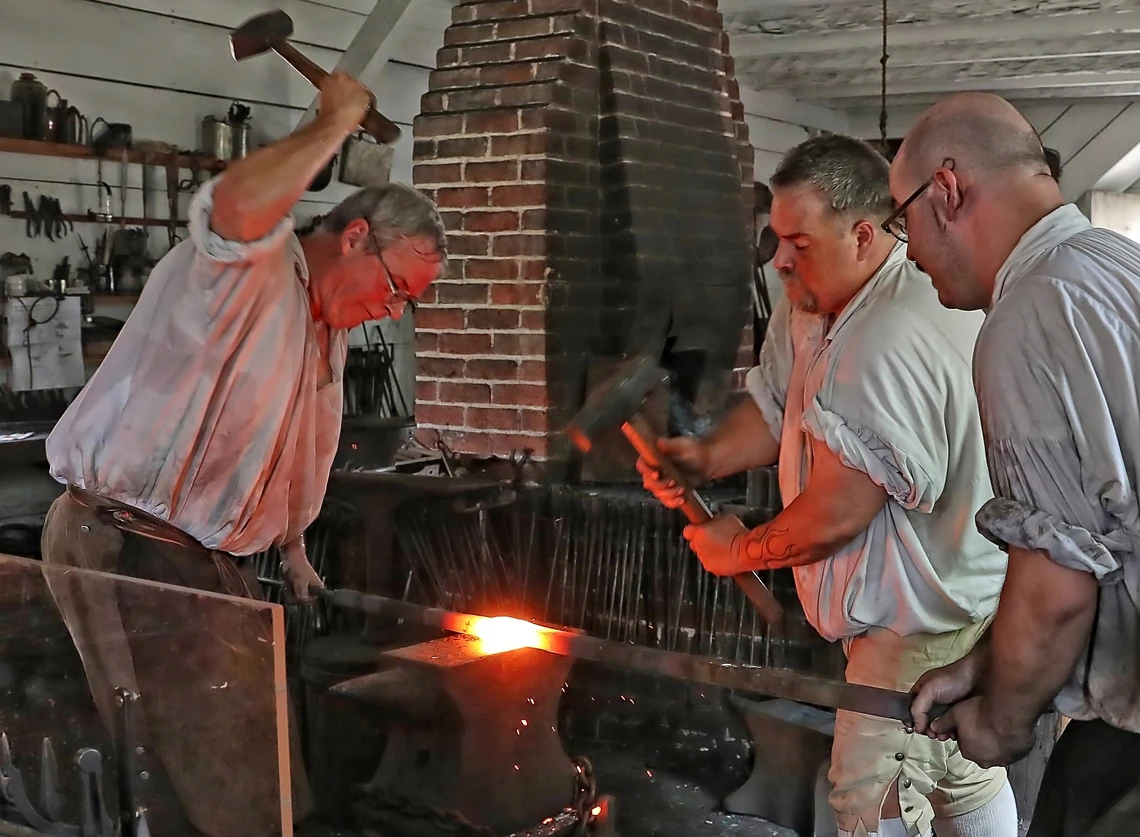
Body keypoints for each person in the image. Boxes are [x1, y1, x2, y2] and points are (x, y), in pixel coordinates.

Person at [39, 71, 447, 835]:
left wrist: (292, 546)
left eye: (407, 305)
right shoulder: (250, 270)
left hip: (199, 559)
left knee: (249, 756)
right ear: (355, 236)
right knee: (181, 768)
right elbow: (230, 208)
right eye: (396, 289)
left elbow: (292, 449)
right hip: (125, 543)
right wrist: (333, 121)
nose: (395, 311)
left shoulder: (326, 329)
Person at [639, 134, 1017, 837]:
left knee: (871, 792)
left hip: (920, 624)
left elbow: (839, 510)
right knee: (959, 769)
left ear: (864, 234)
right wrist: (703, 458)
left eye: (798, 242)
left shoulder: (888, 332)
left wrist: (740, 549)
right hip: (935, 607)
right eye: (776, 239)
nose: (780, 258)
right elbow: (784, 406)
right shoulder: (814, 299)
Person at [892, 92, 1140, 836]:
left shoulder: (1028, 315)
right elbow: (1100, 526)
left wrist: (1002, 718)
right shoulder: (1112, 262)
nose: (907, 247)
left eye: (903, 216)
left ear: (946, 190)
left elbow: (1059, 584)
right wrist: (984, 660)